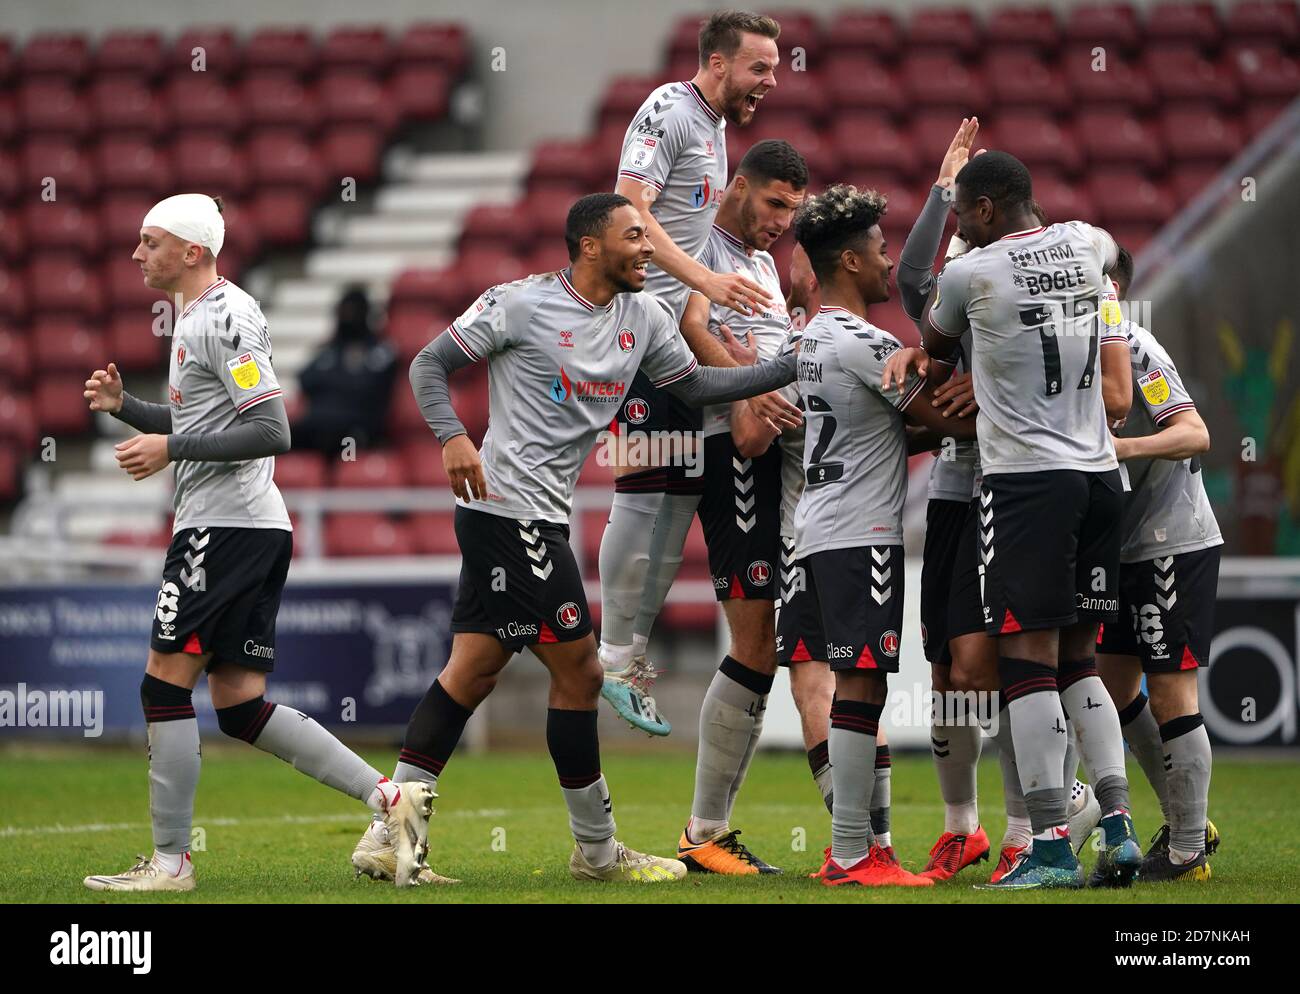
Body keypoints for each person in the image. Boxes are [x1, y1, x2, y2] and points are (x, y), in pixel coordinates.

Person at [350, 193, 801, 885]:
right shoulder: (521, 303)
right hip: (508, 512)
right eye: (633, 237)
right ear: (590, 246)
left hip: (537, 515)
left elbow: (700, 384)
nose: (648, 248)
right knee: (583, 672)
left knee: (470, 671)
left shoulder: (645, 316)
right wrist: (451, 439)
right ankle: (597, 851)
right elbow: (428, 366)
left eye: (648, 238)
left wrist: (789, 364)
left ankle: (393, 839)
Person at [81, 194, 435, 892]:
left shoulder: (225, 314)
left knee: (162, 684)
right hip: (243, 526)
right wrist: (130, 411)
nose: (136, 255)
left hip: (225, 529)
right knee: (241, 703)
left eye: (150, 242)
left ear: (191, 250)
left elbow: (272, 428)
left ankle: (171, 863)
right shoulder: (195, 315)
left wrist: (170, 446)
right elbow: (212, 421)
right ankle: (392, 801)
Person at [919, 151, 1142, 889]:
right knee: (1082, 663)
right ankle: (1117, 826)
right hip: (1101, 477)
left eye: (961, 212)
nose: (960, 225)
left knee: (1026, 667)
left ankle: (1046, 845)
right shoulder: (1088, 242)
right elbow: (1108, 302)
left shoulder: (971, 273)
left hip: (1026, 487)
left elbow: (935, 344)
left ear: (983, 210)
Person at [600, 10, 782, 735]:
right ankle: (611, 652)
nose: (770, 81)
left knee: (675, 498)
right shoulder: (668, 112)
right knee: (643, 496)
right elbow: (630, 208)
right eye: (759, 68)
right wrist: (703, 281)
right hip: (635, 333)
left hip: (668, 342)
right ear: (716, 63)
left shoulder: (713, 124)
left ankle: (626, 658)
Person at [791, 184, 978, 887]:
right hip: (860, 534)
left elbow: (902, 427)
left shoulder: (814, 337)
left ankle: (859, 850)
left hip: (818, 530)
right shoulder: (868, 344)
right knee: (862, 687)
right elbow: (948, 422)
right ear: (848, 261)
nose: (887, 259)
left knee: (853, 685)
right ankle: (850, 853)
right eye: (877, 249)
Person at [670, 138, 806, 875]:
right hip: (730, 454)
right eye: (775, 203)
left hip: (767, 456)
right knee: (755, 642)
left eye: (795, 210)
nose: (782, 220)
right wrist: (753, 388)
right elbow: (693, 327)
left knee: (767, 645)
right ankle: (704, 832)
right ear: (740, 185)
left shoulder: (761, 262)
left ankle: (709, 832)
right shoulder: (703, 243)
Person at [1096, 246, 1222, 883]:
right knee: (1112, 689)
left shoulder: (1138, 349)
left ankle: (1187, 848)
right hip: (1118, 547)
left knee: (1171, 687)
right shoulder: (1069, 350)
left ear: (1112, 287)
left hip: (1170, 539)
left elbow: (1195, 433)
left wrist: (1122, 446)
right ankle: (1186, 815)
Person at [293, 286, 398, 453]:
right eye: (343, 312)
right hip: (319, 425)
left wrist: (330, 378)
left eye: (351, 312)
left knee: (343, 446)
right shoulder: (330, 350)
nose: (346, 317)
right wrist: (344, 376)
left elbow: (366, 387)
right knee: (282, 439)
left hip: (358, 431)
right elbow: (305, 379)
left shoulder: (380, 351)